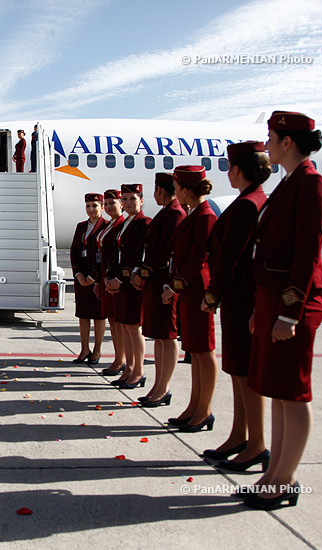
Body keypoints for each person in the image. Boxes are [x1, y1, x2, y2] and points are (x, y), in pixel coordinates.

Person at [241, 112, 322, 510]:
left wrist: (288, 314)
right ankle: (273, 473)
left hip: (293, 306)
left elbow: (307, 256)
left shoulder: (311, 185)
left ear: (288, 142)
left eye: (271, 137)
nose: (267, 144)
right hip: (273, 302)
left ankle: (285, 479)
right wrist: (263, 309)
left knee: (293, 395)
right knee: (278, 392)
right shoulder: (289, 183)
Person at [199, 141, 269, 470]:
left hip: (242, 297)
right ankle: (240, 435)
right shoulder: (251, 200)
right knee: (237, 370)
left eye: (230, 167)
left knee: (244, 372)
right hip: (240, 297)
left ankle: (256, 444)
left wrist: (212, 294)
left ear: (238, 170)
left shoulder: (246, 205)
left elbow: (229, 256)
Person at [162, 166, 218, 432]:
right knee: (194, 351)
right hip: (190, 290)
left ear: (184, 190)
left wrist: (175, 286)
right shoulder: (194, 214)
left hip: (197, 290)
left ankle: (204, 409)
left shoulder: (205, 216)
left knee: (204, 352)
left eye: (176, 188)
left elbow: (198, 258)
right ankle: (194, 406)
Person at [131, 173, 185, 407]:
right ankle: (158, 386)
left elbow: (164, 251)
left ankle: (164, 387)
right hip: (154, 282)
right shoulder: (166, 212)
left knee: (168, 336)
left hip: (163, 281)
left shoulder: (174, 213)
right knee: (160, 337)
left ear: (161, 190)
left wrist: (142, 272)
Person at [106, 184, 151, 389]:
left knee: (134, 328)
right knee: (124, 326)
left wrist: (121, 279)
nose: (128, 202)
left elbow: (137, 257)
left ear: (141, 200)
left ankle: (138, 371)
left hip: (132, 283)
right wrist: (109, 277)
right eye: (125, 199)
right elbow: (118, 254)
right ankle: (129, 368)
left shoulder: (144, 223)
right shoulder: (125, 224)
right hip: (121, 283)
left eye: (133, 198)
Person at [69, 193, 108, 364]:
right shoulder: (81, 227)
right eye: (88, 206)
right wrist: (78, 274)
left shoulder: (106, 226)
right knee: (83, 314)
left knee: (99, 316)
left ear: (102, 207)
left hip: (97, 279)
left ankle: (97, 351)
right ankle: (84, 349)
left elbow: (106, 255)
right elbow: (74, 251)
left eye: (94, 206)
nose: (91, 209)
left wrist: (93, 277)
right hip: (81, 278)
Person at [93, 190, 126, 376]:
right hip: (106, 278)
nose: (108, 207)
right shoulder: (110, 225)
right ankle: (118, 357)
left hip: (115, 280)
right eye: (106, 203)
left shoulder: (122, 224)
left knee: (119, 322)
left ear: (121, 204)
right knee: (112, 320)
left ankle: (121, 359)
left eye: (112, 202)